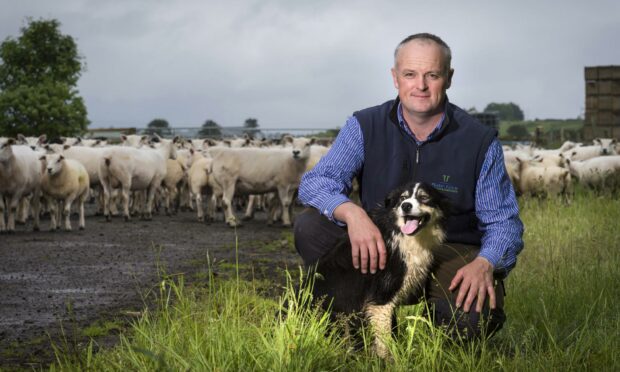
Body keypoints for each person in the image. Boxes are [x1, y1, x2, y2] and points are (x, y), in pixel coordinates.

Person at [295, 33, 524, 340]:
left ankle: (438, 323)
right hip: (382, 243)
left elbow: (503, 222)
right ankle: (354, 315)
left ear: (449, 78)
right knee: (310, 226)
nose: (421, 86)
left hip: (447, 249)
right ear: (395, 78)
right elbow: (316, 181)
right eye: (410, 74)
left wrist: (487, 262)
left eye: (432, 75)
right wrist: (352, 213)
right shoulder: (365, 125)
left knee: (471, 321)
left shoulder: (479, 142)